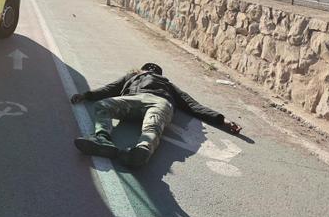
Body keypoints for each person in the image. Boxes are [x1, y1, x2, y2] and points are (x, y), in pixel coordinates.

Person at [69, 63, 242, 167]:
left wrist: (222, 120)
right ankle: (103, 140)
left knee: (152, 125)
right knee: (103, 105)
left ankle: (141, 152)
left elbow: (192, 105)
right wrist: (87, 95)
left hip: (159, 101)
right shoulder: (132, 76)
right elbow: (109, 89)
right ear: (142, 70)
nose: (150, 72)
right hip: (134, 100)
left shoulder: (167, 84)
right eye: (147, 70)